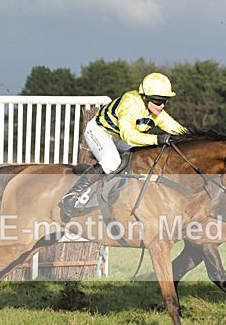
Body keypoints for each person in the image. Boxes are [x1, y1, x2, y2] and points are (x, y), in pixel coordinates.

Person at [59, 72, 188, 218]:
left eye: (165, 101)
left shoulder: (157, 112)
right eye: (158, 101)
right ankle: (71, 195)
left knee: (142, 158)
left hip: (118, 136)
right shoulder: (130, 103)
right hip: (100, 132)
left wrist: (196, 140)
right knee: (112, 163)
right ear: (144, 97)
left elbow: (177, 129)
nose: (162, 105)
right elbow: (129, 136)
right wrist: (158, 139)